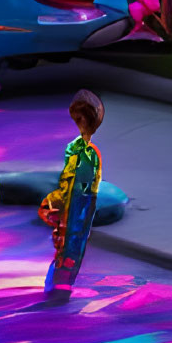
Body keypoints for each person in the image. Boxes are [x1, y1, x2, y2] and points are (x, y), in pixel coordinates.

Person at [37, 90, 105, 302]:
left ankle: (61, 284)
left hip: (78, 204)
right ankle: (60, 282)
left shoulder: (86, 154)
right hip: (77, 202)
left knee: (70, 245)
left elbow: (79, 189)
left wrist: (59, 202)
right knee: (67, 244)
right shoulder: (78, 149)